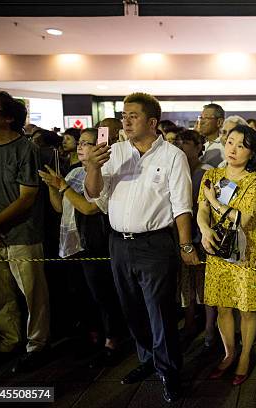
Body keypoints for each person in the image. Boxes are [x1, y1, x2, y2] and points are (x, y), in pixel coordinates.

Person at [84, 92, 200, 403]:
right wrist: (93, 167)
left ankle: (169, 371)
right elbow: (95, 196)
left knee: (160, 312)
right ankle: (148, 360)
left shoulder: (172, 156)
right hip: (119, 243)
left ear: (152, 122)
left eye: (132, 115)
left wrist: (186, 245)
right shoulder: (114, 152)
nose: (125, 120)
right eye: (124, 115)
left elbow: (181, 206)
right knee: (131, 310)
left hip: (156, 244)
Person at [38, 127, 124, 368]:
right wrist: (53, 186)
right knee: (81, 293)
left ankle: (112, 339)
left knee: (102, 294)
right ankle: (92, 333)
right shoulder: (75, 171)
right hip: (72, 244)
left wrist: (63, 186)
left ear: (100, 147)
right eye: (81, 142)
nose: (81, 147)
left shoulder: (106, 173)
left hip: (96, 245)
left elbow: (88, 208)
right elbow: (59, 208)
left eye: (87, 143)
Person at [0, 91, 50, 372]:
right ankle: (8, 342)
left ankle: (37, 345)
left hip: (22, 233)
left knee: (33, 293)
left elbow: (26, 197)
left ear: (9, 117)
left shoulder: (26, 149)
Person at [197, 124, 256, 386]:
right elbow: (201, 209)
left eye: (241, 145)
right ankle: (229, 354)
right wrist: (204, 230)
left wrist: (214, 202)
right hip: (216, 248)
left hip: (244, 250)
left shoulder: (255, 179)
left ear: (251, 152)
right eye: (230, 142)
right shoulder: (212, 174)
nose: (233, 149)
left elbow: (243, 218)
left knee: (246, 307)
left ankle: (245, 356)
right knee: (223, 306)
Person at [169, 129, 218, 349]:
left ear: (199, 146)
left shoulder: (206, 171)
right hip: (180, 236)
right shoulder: (175, 168)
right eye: (179, 142)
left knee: (205, 284)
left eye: (186, 142)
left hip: (200, 235)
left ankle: (209, 329)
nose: (181, 146)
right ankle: (189, 322)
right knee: (186, 283)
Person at [199, 103, 225, 167]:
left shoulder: (225, 145)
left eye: (206, 118)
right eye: (201, 118)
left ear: (219, 122)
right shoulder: (200, 144)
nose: (201, 122)